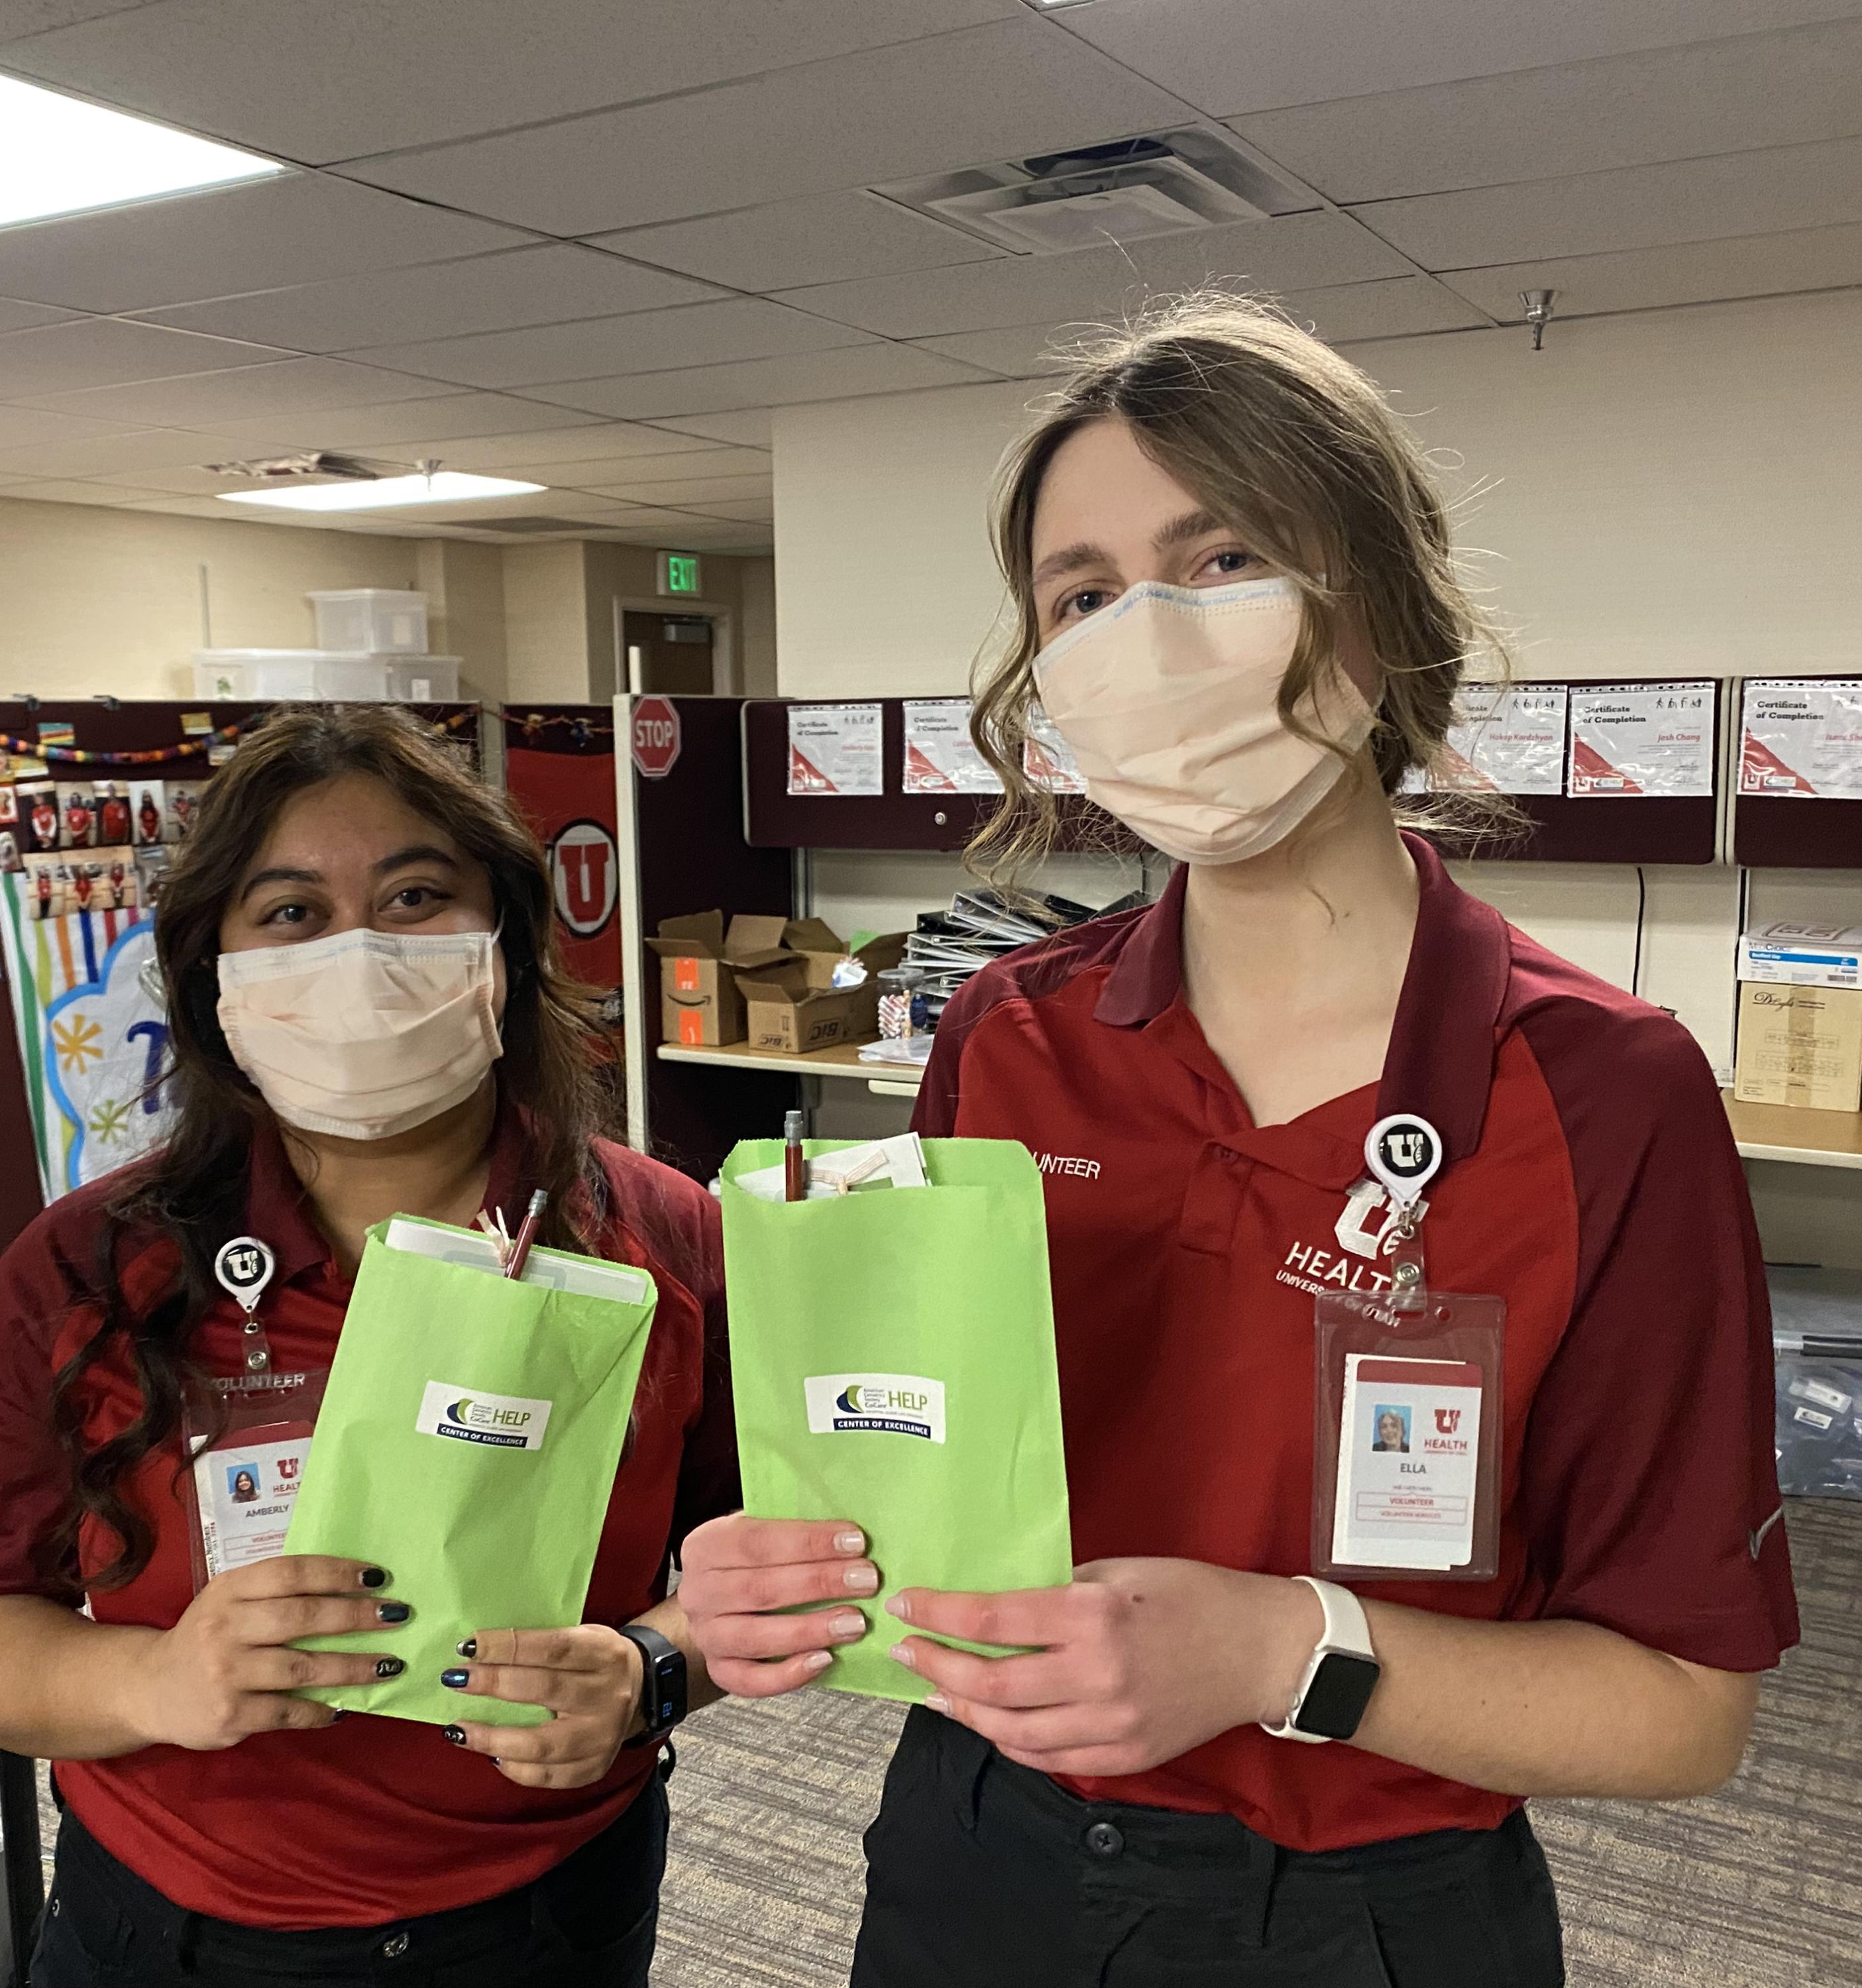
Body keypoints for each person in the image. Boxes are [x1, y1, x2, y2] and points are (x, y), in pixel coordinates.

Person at [679, 296, 1798, 1985]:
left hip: (1366, 1902)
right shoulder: (1012, 1040)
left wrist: (1290, 1650)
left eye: (1219, 561)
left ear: (1379, 594)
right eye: (1082, 595)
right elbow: (917, 1467)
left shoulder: (1598, 1089)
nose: (1148, 635)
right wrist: (786, 1567)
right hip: (982, 1850)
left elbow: (1680, 1713)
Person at [0, 704, 735, 1987]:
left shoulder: (662, 1239)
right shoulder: (83, 1271)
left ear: (503, 940)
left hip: (550, 1912)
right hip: (176, 1927)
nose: (358, 954)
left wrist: (649, 1671)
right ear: (214, 980)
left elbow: (769, 1560)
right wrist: (154, 1681)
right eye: (290, 913)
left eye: (414, 895)